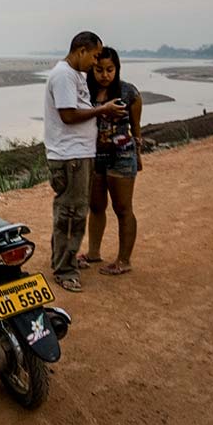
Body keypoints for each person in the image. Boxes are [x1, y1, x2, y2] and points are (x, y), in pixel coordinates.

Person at [44, 32, 126, 292]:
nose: (95, 62)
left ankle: (62, 260)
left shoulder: (73, 75)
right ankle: (65, 270)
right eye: (93, 56)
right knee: (72, 214)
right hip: (71, 158)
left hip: (77, 156)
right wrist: (103, 109)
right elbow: (68, 115)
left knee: (71, 210)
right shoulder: (64, 76)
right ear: (81, 50)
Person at [80, 47, 142, 275]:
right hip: (95, 157)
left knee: (123, 208)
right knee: (96, 207)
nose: (105, 75)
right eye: (99, 70)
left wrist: (138, 155)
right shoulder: (85, 92)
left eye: (110, 70)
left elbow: (136, 129)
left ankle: (124, 260)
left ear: (117, 69)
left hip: (122, 157)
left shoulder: (129, 93)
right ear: (92, 69)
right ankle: (94, 253)